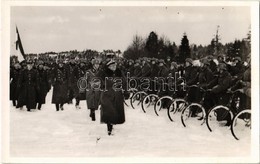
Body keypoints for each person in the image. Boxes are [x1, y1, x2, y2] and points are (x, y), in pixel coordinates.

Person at [96, 59, 128, 135]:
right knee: (109, 111)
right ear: (108, 66)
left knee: (115, 111)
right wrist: (101, 86)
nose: (114, 67)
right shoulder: (103, 73)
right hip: (107, 95)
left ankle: (112, 125)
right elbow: (96, 80)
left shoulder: (119, 72)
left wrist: (126, 92)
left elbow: (124, 82)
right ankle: (109, 129)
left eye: (115, 65)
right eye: (112, 66)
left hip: (117, 95)